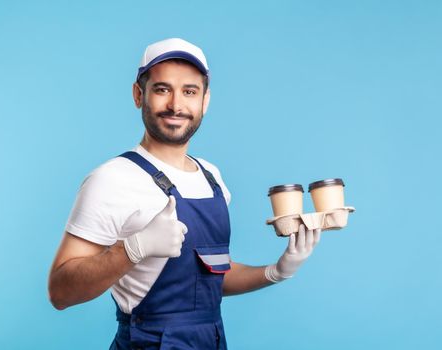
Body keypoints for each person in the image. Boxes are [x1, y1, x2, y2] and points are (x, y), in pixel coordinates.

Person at [48, 38, 322, 350]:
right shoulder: (112, 179)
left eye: (189, 91)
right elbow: (60, 292)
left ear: (205, 101)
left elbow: (208, 278)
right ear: (140, 95)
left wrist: (275, 272)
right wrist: (133, 249)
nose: (176, 105)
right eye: (162, 89)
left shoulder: (212, 177)